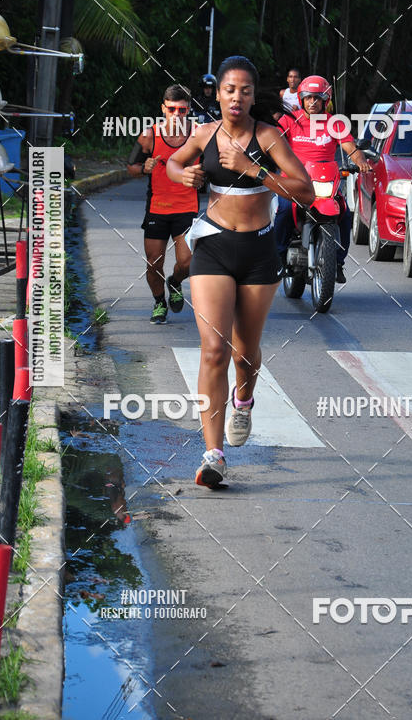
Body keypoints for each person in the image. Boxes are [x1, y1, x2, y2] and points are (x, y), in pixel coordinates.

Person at [166, 55, 314, 488]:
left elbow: (305, 190)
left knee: (244, 354)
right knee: (214, 350)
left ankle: (243, 399)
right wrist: (184, 175)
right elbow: (173, 163)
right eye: (229, 90)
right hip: (213, 246)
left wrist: (254, 170)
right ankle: (213, 455)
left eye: (245, 91)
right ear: (218, 94)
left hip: (258, 252)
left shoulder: (268, 137)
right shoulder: (204, 134)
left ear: (252, 96)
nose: (236, 97)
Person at [274, 74, 370, 284]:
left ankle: (338, 263)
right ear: (302, 99)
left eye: (317, 98)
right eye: (308, 97)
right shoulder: (289, 120)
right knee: (284, 211)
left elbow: (350, 147)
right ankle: (279, 257)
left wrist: (361, 161)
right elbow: (273, 141)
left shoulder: (335, 123)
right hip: (294, 182)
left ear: (326, 100)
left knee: (344, 215)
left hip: (325, 182)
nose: (312, 102)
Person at [127, 84, 199, 324]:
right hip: (157, 208)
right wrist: (143, 169)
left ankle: (175, 282)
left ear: (188, 109)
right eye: (171, 109)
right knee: (153, 263)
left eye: (182, 110)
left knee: (187, 262)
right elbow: (131, 166)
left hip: (187, 207)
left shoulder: (198, 135)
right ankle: (159, 302)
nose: (176, 115)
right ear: (163, 108)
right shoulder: (149, 135)